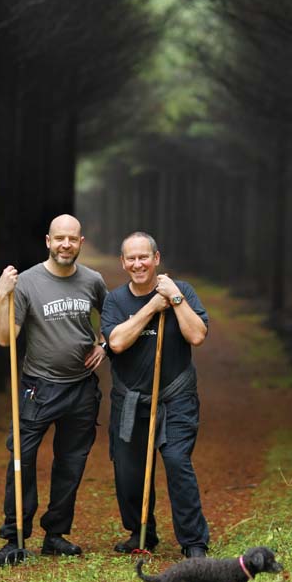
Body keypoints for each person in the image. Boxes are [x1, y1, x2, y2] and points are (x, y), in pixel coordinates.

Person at [0, 214, 108, 565]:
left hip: (82, 389)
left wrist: (105, 343)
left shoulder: (94, 280)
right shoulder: (27, 282)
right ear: (48, 241)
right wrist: (1, 295)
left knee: (71, 464)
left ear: (81, 242)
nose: (65, 244)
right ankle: (15, 537)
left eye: (72, 239)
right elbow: (4, 337)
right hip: (37, 389)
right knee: (21, 459)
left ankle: (56, 535)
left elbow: (114, 315)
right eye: (59, 238)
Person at [100, 231, 210, 559]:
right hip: (131, 400)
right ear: (123, 263)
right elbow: (117, 343)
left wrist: (174, 298)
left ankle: (193, 542)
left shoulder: (183, 291)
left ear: (156, 258)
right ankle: (142, 532)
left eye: (144, 257)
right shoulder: (116, 301)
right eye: (131, 258)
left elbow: (197, 335)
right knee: (129, 469)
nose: (138, 264)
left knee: (177, 462)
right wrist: (152, 306)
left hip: (176, 397)